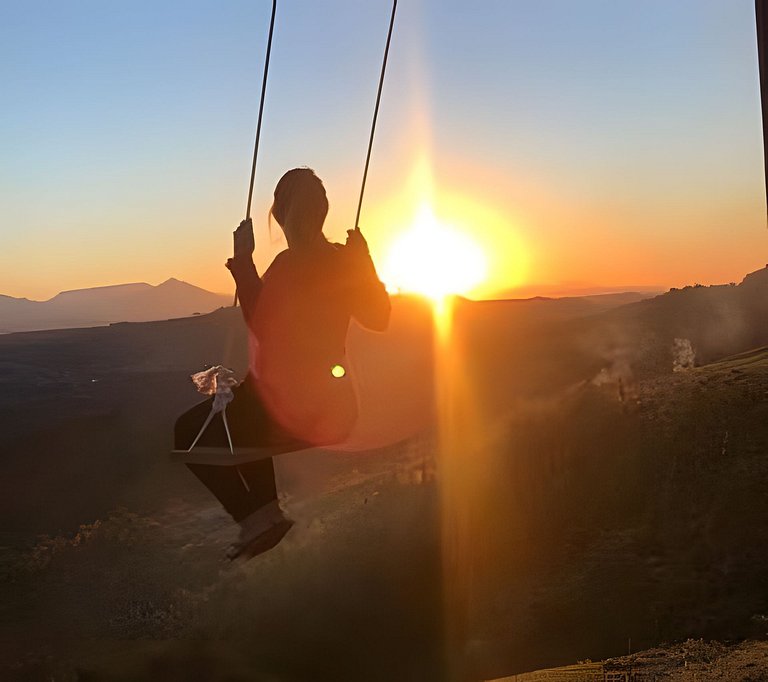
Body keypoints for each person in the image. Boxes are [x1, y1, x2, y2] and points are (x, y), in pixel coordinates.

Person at [175, 167, 391, 559]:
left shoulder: (289, 265)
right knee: (251, 401)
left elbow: (261, 324)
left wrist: (243, 262)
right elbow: (379, 318)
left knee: (188, 431)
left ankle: (257, 517)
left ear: (281, 212)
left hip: (295, 408)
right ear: (321, 212)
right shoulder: (342, 261)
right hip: (334, 405)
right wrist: (365, 265)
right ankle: (266, 514)